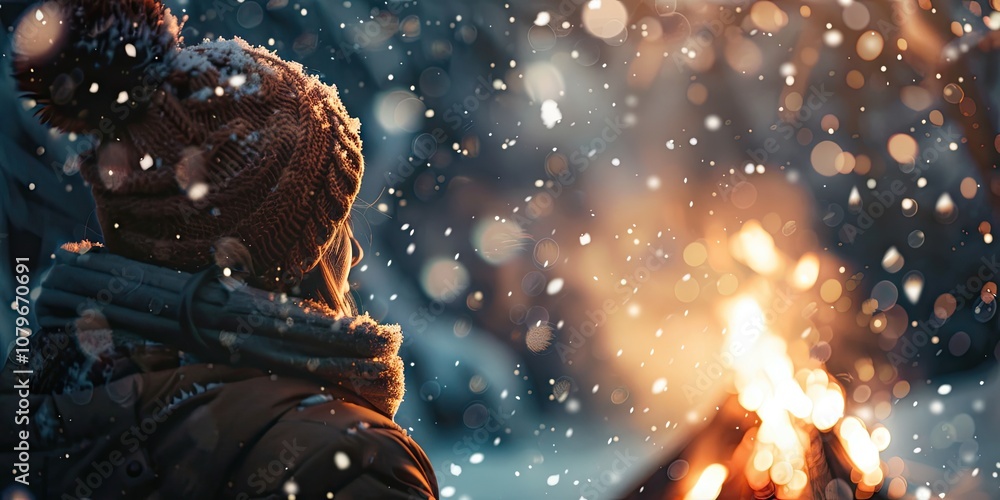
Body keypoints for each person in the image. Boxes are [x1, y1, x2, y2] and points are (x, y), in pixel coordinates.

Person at [1, 0, 439, 498]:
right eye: (334, 224)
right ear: (280, 259)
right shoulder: (345, 460)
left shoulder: (36, 408)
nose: (354, 253)